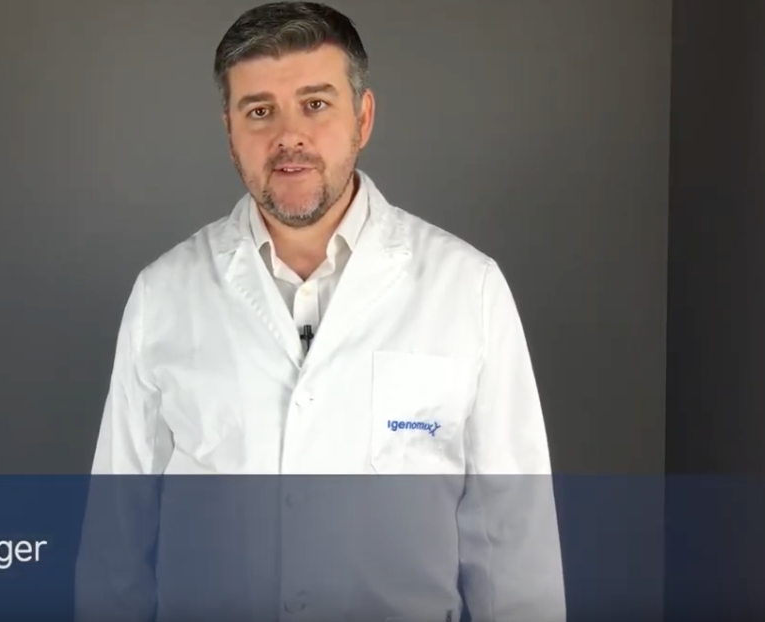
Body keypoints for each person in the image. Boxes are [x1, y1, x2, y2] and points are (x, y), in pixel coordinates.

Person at [79, 3, 566, 621]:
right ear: (229, 131)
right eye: (259, 111)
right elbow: (115, 551)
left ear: (362, 117)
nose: (289, 137)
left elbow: (514, 544)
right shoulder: (164, 296)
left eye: (315, 104)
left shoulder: (467, 289)